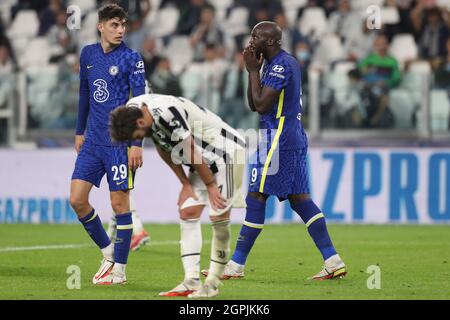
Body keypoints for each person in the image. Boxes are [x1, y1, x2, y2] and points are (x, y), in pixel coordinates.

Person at [203, 21, 346, 281]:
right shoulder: (272, 64)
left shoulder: (281, 64)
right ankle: (332, 259)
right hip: (288, 135)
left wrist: (251, 70)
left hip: (278, 137)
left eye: (255, 36)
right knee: (299, 198)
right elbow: (253, 102)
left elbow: (260, 104)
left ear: (269, 41)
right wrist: (253, 71)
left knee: (256, 195)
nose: (250, 40)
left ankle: (235, 265)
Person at [109, 93, 246, 298]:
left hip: (227, 152)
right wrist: (184, 183)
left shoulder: (167, 114)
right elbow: (163, 146)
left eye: (137, 136)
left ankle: (212, 285)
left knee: (218, 217)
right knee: (188, 210)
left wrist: (210, 185)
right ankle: (191, 281)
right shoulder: (135, 109)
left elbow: (189, 148)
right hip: (203, 157)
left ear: (140, 121)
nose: (138, 140)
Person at [69, 4, 148, 285]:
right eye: (114, 25)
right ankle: (109, 252)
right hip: (92, 141)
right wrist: (79, 130)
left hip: (119, 142)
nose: (120, 30)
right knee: (77, 199)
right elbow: (84, 94)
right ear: (101, 26)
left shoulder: (132, 58)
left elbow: (140, 103)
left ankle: (119, 272)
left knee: (119, 204)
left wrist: (137, 143)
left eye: (123, 25)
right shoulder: (88, 54)